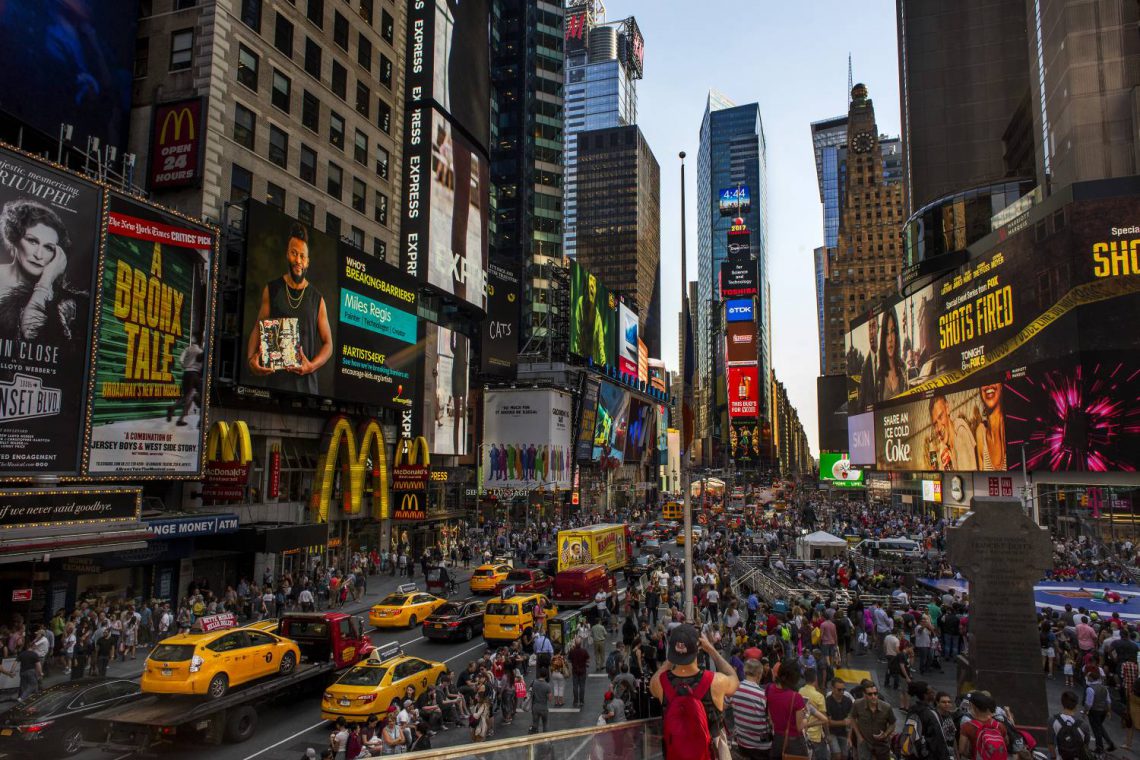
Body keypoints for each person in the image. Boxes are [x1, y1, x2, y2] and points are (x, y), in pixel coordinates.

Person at [246, 221, 333, 394]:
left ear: (308, 262)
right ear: (287, 254)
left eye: (302, 256)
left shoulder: (318, 299)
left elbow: (328, 344)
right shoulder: (272, 289)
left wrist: (311, 366)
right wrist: (250, 360)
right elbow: (258, 325)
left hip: (307, 389)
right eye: (294, 254)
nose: (298, 260)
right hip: (274, 386)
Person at [0, 199, 89, 349]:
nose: (39, 254)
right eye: (32, 241)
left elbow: (30, 333)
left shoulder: (63, 300)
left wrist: (46, 280)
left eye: (48, 248)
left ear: (57, 255)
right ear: (14, 238)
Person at [650, 624, 739, 760]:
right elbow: (734, 679)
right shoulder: (715, 681)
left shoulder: (661, 683)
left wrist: (671, 657)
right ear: (698, 648)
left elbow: (654, 679)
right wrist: (711, 650)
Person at [731, 657, 774, 760]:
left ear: (745, 672)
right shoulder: (763, 695)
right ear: (759, 674)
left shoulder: (733, 688)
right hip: (762, 746)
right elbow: (772, 722)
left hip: (742, 742)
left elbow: (723, 706)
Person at [767, 657, 809, 758]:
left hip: (777, 740)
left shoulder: (770, 689)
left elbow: (770, 718)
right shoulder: (796, 697)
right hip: (793, 744)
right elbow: (799, 726)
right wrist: (807, 717)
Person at [930, 394, 977, 472]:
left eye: (940, 417)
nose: (938, 428)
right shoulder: (944, 447)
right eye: (935, 424)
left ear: (947, 409)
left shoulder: (960, 431)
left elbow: (966, 479)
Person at [850, 679, 895, 760]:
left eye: (875, 693)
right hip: (865, 743)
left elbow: (893, 724)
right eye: (870, 694)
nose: (873, 696)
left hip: (881, 745)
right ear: (864, 694)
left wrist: (885, 734)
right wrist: (858, 736)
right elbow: (852, 718)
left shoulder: (886, 707)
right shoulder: (857, 704)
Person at [167, 332, 204, 427]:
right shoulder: (200, 351)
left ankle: (177, 413)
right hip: (195, 375)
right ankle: (201, 421)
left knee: (187, 397)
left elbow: (180, 360)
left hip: (186, 373)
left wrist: (185, 366)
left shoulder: (187, 349)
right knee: (202, 398)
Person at [957, 691, 1008, 760]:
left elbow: (961, 750)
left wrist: (972, 756)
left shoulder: (967, 726)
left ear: (974, 707)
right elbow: (1006, 742)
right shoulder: (999, 725)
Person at [571, 271, 608, 365]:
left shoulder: (598, 315)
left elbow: (601, 345)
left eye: (594, 284)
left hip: (593, 364)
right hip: (578, 359)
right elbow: (577, 334)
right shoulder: (580, 303)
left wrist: (603, 364)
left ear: (596, 290)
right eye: (590, 282)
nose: (591, 285)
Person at [875, 306, 907, 401]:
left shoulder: (903, 370)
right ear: (883, 339)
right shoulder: (879, 375)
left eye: (892, 331)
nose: (890, 339)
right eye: (886, 333)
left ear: (896, 335)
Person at [1051, 690, 1091, 760]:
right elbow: (1086, 745)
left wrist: (1054, 757)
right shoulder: (1084, 725)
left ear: (1062, 703)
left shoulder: (1052, 720)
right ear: (1076, 706)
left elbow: (1050, 744)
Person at [974, 383, 1006, 471]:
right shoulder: (980, 432)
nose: (988, 384)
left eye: (994, 378)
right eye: (983, 381)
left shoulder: (1009, 424)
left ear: (1002, 385)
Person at [1082, 669, 1115, 753]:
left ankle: (1099, 747)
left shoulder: (1090, 689)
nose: (1087, 678)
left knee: (1096, 729)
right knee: (1099, 727)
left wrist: (1085, 712)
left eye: (1088, 677)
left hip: (1094, 711)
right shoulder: (1104, 688)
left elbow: (1088, 703)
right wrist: (1108, 711)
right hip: (1103, 710)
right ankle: (1110, 743)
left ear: (1091, 678)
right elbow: (1108, 701)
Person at [825, 677, 855, 760]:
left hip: (844, 733)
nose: (842, 692)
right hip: (832, 732)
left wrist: (849, 737)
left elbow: (850, 720)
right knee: (837, 755)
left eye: (843, 689)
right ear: (832, 689)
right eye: (839, 690)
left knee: (845, 756)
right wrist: (844, 722)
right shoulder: (828, 702)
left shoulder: (848, 701)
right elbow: (828, 722)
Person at [857, 313, 879, 409]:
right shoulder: (865, 367)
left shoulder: (888, 359)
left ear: (879, 329)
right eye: (869, 328)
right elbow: (862, 401)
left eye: (873, 326)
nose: (871, 332)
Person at [529, 667, 551, 734]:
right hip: (543, 707)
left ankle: (535, 738)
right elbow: (549, 699)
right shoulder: (547, 686)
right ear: (546, 675)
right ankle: (545, 739)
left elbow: (531, 693)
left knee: (535, 724)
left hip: (535, 706)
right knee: (545, 724)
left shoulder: (534, 683)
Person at [569, 639, 590, 708]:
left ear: (575, 643)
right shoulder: (584, 651)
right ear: (581, 644)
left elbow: (569, 660)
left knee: (575, 686)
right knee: (582, 686)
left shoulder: (572, 651)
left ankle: (575, 701)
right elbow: (588, 659)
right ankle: (581, 701)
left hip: (575, 670)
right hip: (583, 670)